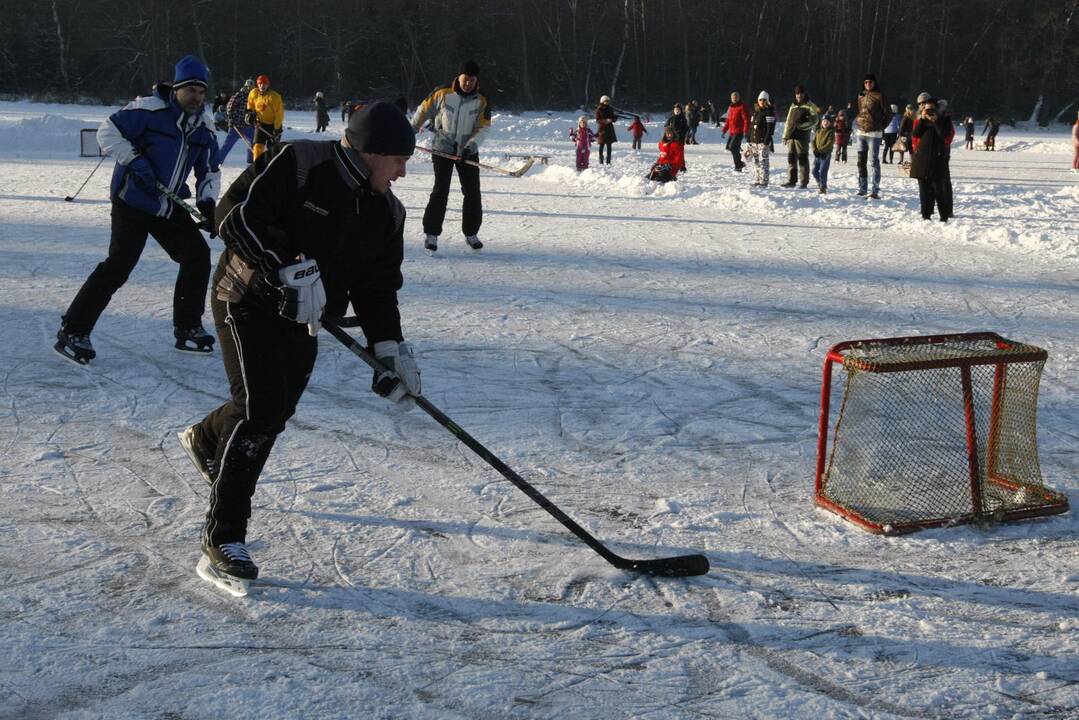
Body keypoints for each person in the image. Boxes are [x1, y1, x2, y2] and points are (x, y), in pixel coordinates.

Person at [179, 101, 418, 595]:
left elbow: (377, 290)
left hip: (303, 319)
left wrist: (388, 350)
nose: (403, 171)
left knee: (274, 408)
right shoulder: (300, 161)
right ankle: (223, 538)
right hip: (244, 297)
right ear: (374, 152)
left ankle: (207, 439)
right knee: (260, 408)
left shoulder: (387, 213)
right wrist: (283, 264)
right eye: (398, 160)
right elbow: (233, 216)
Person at [55, 55, 220, 364]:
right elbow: (107, 132)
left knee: (196, 256)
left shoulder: (204, 127)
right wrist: (134, 160)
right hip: (131, 200)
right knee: (120, 264)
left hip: (167, 204)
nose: (196, 97)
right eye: (190, 90)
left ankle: (188, 328)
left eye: (201, 91)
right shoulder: (149, 110)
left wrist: (207, 202)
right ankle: (73, 329)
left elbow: (209, 170)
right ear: (177, 89)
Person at [411, 59, 491, 253]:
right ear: (459, 77)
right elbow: (422, 111)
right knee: (441, 190)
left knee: (472, 192)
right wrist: (409, 131)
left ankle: (471, 233)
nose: (468, 83)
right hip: (442, 148)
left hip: (468, 151)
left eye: (472, 80)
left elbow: (484, 126)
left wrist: (471, 146)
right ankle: (431, 234)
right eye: (465, 79)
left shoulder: (481, 99)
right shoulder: (442, 93)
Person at [910, 97, 952, 221]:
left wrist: (935, 121)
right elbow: (916, 134)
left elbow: (944, 135)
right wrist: (923, 119)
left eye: (931, 109)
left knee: (939, 189)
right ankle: (925, 215)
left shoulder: (944, 119)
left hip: (937, 158)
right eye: (926, 108)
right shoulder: (921, 120)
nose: (929, 111)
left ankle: (944, 216)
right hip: (921, 158)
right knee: (923, 189)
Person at [855, 73, 892, 198]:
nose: (868, 84)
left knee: (873, 162)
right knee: (861, 162)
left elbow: (889, 114)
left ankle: (875, 189)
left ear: (874, 83)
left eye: (870, 82)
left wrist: (881, 126)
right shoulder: (861, 95)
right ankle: (862, 188)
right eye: (865, 82)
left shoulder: (880, 96)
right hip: (861, 132)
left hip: (874, 134)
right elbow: (859, 110)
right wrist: (858, 120)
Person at [781, 84, 819, 188]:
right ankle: (791, 180)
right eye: (797, 93)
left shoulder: (810, 105)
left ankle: (803, 182)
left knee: (802, 159)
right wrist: (785, 135)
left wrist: (803, 126)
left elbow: (815, 120)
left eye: (801, 93)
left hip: (802, 137)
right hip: (792, 136)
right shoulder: (793, 105)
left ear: (804, 93)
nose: (799, 95)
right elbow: (789, 121)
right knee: (791, 159)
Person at [216, 78, 255, 165]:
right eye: (248, 87)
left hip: (246, 125)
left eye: (251, 87)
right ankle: (217, 160)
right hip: (235, 125)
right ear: (245, 87)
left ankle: (250, 160)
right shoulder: (239, 95)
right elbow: (229, 107)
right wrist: (230, 119)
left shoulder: (253, 97)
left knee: (253, 140)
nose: (250, 89)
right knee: (228, 144)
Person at [247, 74, 284, 161]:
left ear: (268, 85)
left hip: (273, 126)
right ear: (257, 84)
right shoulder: (254, 93)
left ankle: (273, 168)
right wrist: (250, 113)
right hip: (260, 125)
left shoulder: (274, 97)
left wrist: (277, 129)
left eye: (264, 84)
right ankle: (257, 167)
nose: (262, 86)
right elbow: (250, 103)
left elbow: (279, 114)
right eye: (260, 84)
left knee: (273, 150)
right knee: (257, 147)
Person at [746, 91, 776, 187]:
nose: (762, 101)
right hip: (754, 141)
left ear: (767, 101)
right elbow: (751, 126)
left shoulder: (769, 112)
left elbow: (770, 128)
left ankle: (764, 181)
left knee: (764, 162)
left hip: (763, 142)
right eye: (760, 100)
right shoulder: (755, 112)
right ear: (758, 101)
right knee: (756, 162)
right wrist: (748, 139)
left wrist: (766, 142)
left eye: (764, 100)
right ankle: (758, 179)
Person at [721, 91, 750, 172]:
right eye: (733, 97)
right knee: (731, 147)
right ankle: (739, 163)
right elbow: (728, 120)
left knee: (733, 147)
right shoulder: (731, 107)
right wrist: (724, 130)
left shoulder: (742, 106)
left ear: (739, 97)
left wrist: (746, 131)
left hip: (739, 131)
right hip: (732, 132)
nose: (734, 98)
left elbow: (746, 119)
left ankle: (738, 165)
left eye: (736, 97)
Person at [812, 113, 836, 194]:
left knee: (823, 171)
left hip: (825, 155)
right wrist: (814, 150)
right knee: (814, 171)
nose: (825, 123)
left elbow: (829, 144)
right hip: (817, 155)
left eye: (827, 121)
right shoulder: (818, 130)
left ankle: (823, 187)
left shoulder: (831, 132)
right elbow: (813, 141)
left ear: (830, 123)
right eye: (824, 121)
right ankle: (820, 183)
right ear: (821, 122)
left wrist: (820, 151)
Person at [595, 95, 618, 164]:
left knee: (609, 145)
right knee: (601, 145)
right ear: (602, 101)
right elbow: (597, 120)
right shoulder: (599, 109)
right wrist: (605, 121)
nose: (607, 102)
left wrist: (614, 118)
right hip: (602, 129)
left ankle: (608, 161)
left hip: (609, 129)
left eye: (608, 101)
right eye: (606, 101)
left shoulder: (610, 108)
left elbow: (613, 117)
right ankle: (601, 160)